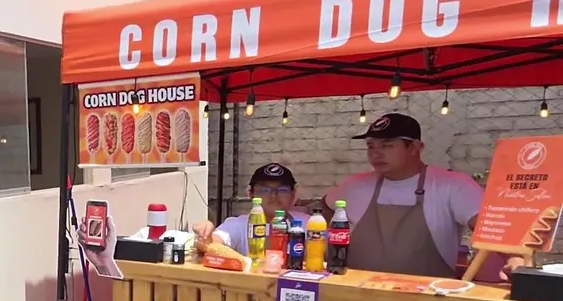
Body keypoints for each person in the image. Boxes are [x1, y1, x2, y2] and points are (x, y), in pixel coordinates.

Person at [321, 113, 524, 279]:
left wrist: (515, 259)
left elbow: (489, 227)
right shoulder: (355, 185)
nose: (376, 153)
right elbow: (325, 207)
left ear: (416, 147)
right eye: (371, 146)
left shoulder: (451, 185)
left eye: (387, 145)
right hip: (356, 297)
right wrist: (333, 248)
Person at [192, 164, 310, 255]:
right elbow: (212, 244)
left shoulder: (308, 224)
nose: (274, 196)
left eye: (282, 190)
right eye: (265, 190)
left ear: (293, 194)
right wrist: (205, 235)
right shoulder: (238, 225)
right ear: (251, 194)